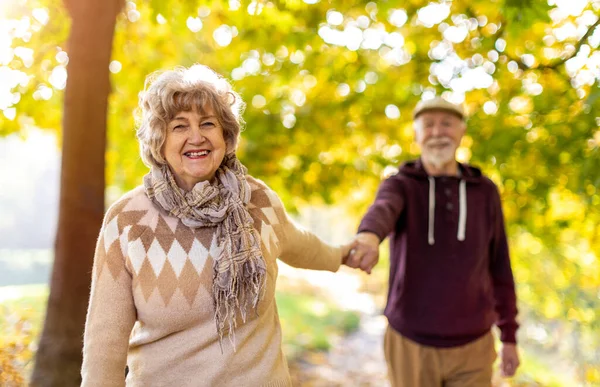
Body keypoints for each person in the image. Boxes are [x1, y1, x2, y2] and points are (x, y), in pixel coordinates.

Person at [81, 64, 358, 386]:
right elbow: (104, 342)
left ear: (226, 136)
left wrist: (342, 255)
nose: (196, 137)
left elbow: (301, 244)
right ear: (159, 139)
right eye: (179, 126)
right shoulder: (129, 219)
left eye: (208, 123)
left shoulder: (257, 201)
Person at [347, 97, 520, 386]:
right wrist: (368, 236)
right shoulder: (400, 183)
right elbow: (384, 209)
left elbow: (500, 264)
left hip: (475, 345)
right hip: (410, 342)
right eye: (428, 125)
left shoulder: (485, 191)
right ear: (416, 134)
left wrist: (510, 336)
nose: (438, 132)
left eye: (447, 124)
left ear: (462, 132)